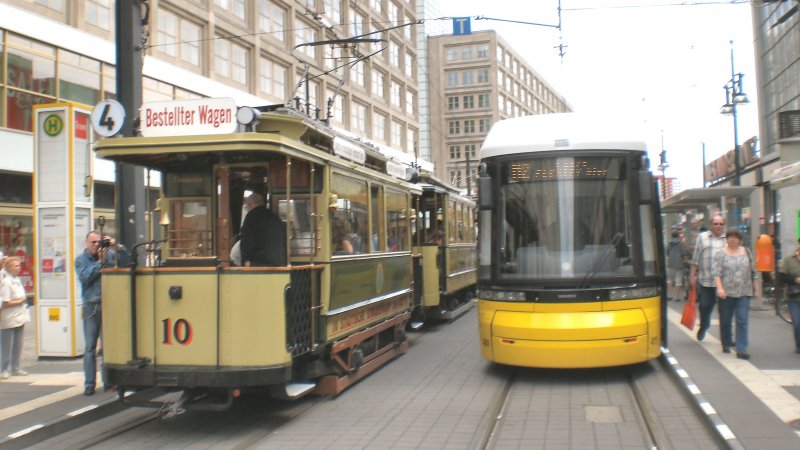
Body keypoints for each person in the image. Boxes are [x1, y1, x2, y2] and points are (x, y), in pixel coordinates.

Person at [75, 231, 127, 395]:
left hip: (108, 304)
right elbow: (85, 277)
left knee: (108, 347)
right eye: (93, 242)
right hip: (91, 306)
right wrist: (100, 263)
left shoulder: (109, 254)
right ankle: (89, 384)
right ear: (86, 243)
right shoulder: (80, 260)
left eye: (99, 242)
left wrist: (115, 245)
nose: (96, 245)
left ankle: (109, 381)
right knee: (90, 347)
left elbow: (128, 259)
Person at [712, 227, 761, 359]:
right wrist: (720, 288)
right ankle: (726, 342)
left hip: (744, 292)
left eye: (736, 237)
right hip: (726, 293)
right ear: (727, 239)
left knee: (742, 320)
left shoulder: (747, 252)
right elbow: (716, 273)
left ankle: (741, 349)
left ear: (739, 239)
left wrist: (756, 289)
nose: (733, 239)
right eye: (730, 237)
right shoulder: (720, 254)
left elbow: (754, 272)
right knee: (726, 320)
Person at [690, 215, 727, 341]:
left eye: (721, 224)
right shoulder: (702, 237)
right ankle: (704, 325)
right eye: (716, 224)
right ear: (711, 225)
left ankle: (726, 338)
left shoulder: (728, 239)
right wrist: (692, 276)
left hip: (723, 283)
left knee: (724, 312)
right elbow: (696, 259)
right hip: (705, 281)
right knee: (705, 306)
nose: (718, 226)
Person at [1, 256, 30, 380]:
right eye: (15, 266)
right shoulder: (6, 282)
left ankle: (16, 366)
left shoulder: (17, 280)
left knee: (18, 343)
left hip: (20, 315)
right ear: (9, 267)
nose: (18, 268)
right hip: (9, 317)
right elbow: (5, 302)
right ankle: (4, 369)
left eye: (19, 265)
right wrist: (19, 301)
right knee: (7, 344)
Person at [240, 193, 287, 267]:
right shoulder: (274, 217)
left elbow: (247, 241)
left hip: (258, 262)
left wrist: (246, 260)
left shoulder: (251, 217)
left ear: (249, 205)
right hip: (277, 262)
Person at [778, 238, 800, 354]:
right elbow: (782, 276)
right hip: (794, 297)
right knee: (797, 322)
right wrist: (795, 280)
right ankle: (799, 345)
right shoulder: (789, 260)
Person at [666, 230, 690, 302]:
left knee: (669, 280)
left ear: (672, 236)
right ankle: (676, 297)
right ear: (679, 236)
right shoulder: (681, 243)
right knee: (678, 280)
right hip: (679, 264)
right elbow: (685, 253)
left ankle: (670, 295)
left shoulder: (669, 244)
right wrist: (686, 261)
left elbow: (667, 253)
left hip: (670, 264)